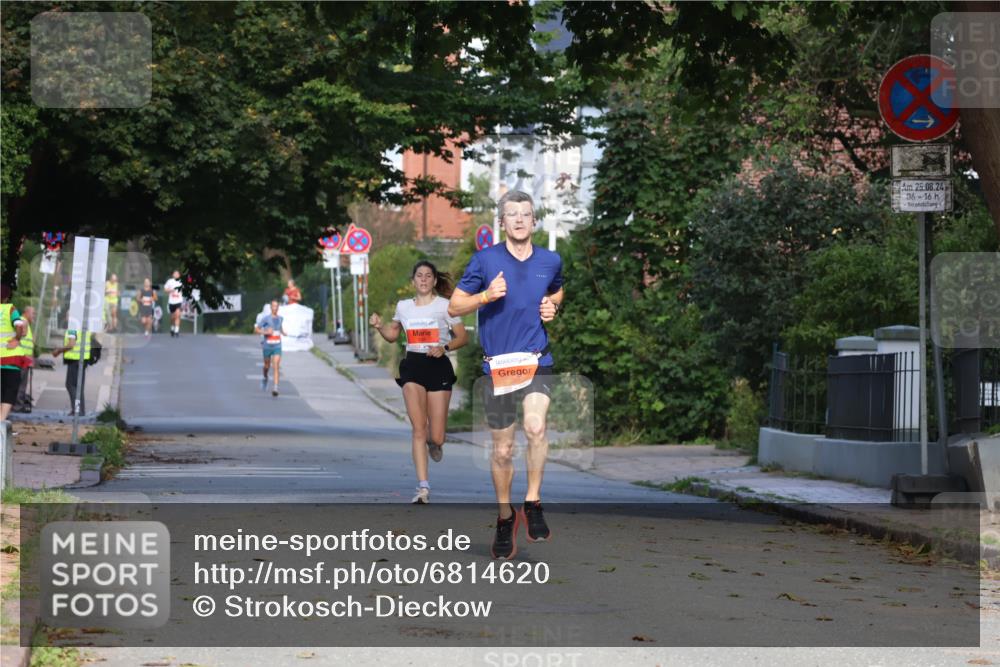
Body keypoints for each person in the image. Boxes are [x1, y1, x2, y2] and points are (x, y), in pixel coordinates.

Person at [448, 190, 564, 559]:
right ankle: (504, 516)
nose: (518, 219)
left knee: (535, 427)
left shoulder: (550, 259)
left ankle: (532, 501)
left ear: (534, 221)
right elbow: (454, 306)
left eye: (525, 214)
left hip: (536, 359)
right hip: (498, 366)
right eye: (511, 214)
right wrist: (484, 297)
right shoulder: (485, 260)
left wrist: (551, 306)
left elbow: (556, 293)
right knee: (501, 450)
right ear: (502, 221)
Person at [370, 261, 468, 504]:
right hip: (413, 366)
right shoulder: (403, 307)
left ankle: (435, 444)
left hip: (438, 366)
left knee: (437, 436)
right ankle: (423, 488)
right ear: (413, 281)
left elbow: (462, 337)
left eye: (428, 276)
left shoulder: (445, 306)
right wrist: (380, 326)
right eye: (419, 276)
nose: (423, 280)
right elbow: (393, 336)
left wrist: (444, 347)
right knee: (418, 428)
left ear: (434, 281)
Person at [0, 285, 28, 421]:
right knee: (9, 391)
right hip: (10, 359)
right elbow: (19, 325)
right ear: (6, 297)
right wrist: (17, 339)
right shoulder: (9, 309)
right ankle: (1, 421)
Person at [52, 326, 94, 416]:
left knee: (71, 385)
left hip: (75, 359)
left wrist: (58, 351)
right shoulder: (83, 325)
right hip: (83, 358)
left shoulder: (73, 326)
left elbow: (71, 344)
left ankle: (77, 410)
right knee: (79, 387)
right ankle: (80, 410)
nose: (66, 316)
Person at [254, 300, 287, 397]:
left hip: (277, 345)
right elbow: (256, 329)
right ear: (271, 307)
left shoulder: (281, 318)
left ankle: (275, 388)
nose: (275, 308)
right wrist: (265, 333)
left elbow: (280, 328)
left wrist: (283, 333)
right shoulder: (266, 319)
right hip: (267, 345)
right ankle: (265, 377)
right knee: (267, 366)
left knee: (276, 365)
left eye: (277, 306)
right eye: (273, 306)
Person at [13, 306, 36, 413]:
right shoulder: (23, 322)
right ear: (26, 312)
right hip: (21, 359)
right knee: (20, 383)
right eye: (33, 313)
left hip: (25, 360)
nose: (34, 316)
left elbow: (28, 344)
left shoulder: (26, 323)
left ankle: (18, 405)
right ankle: (17, 406)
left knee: (21, 383)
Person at [164, 270, 184, 337]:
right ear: (173, 275)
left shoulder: (181, 282)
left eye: (177, 274)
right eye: (174, 273)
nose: (176, 275)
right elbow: (165, 289)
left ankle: (176, 330)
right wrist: (170, 290)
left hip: (179, 301)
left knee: (177, 315)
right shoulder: (170, 281)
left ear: (179, 275)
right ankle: (172, 328)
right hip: (171, 302)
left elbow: (189, 283)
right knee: (173, 317)